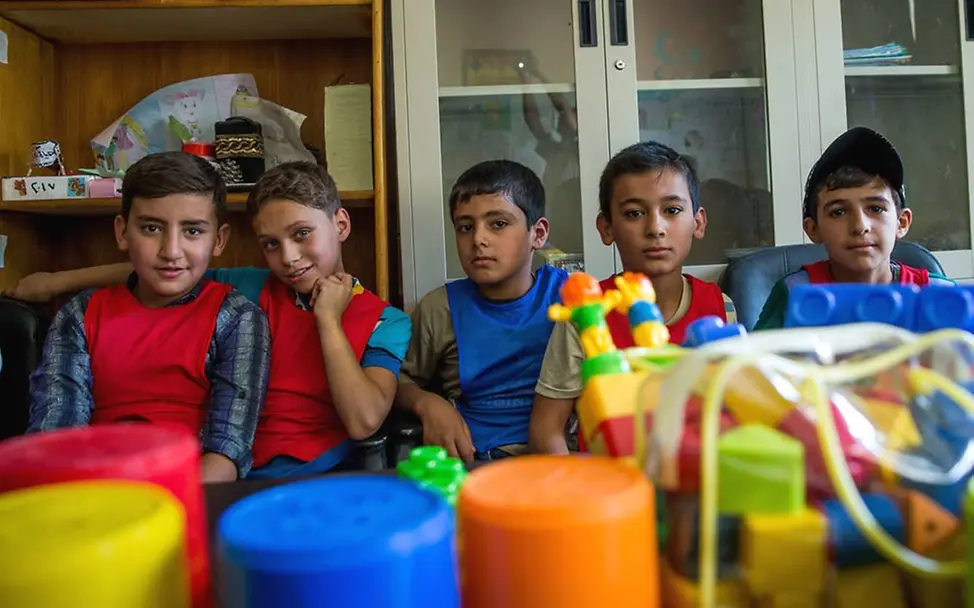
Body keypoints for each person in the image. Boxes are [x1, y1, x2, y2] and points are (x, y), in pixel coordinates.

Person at [11, 161, 411, 478]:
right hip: (234, 467)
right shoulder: (257, 286)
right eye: (271, 244)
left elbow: (363, 421)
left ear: (340, 225)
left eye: (302, 234)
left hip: (313, 474)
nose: (288, 257)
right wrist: (58, 281)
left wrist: (327, 319)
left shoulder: (386, 321)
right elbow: (168, 269)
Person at [27, 151, 271, 483]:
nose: (171, 251)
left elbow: (227, 453)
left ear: (219, 240)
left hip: (191, 494)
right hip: (93, 491)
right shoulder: (79, 316)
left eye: (193, 231)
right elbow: (55, 436)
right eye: (152, 228)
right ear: (123, 232)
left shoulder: (236, 318)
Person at [528, 141, 737, 455]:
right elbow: (547, 430)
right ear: (606, 228)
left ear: (698, 222)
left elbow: (736, 411)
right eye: (634, 213)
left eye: (672, 210)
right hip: (611, 489)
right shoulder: (587, 313)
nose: (655, 228)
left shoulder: (720, 307)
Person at [397, 160, 567, 462]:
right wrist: (426, 404)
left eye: (498, 224)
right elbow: (394, 381)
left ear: (538, 234)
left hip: (565, 455)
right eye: (465, 227)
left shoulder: (570, 297)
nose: (478, 239)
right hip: (478, 460)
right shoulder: (441, 307)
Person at [754, 126, 953, 330]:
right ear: (813, 229)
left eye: (876, 208)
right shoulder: (795, 293)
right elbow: (754, 359)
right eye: (838, 212)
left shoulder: (938, 294)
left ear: (901, 222)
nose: (860, 226)